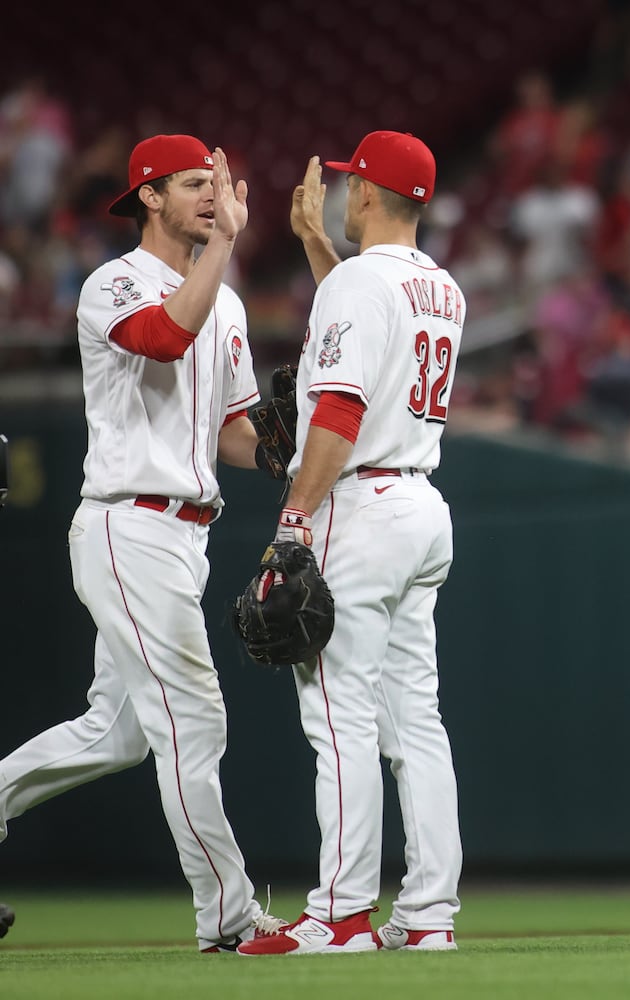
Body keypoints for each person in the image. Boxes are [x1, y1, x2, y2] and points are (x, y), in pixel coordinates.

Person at [0, 134, 283, 951]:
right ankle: (226, 918)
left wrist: (287, 445)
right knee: (194, 718)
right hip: (128, 526)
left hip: (186, 535)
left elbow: (233, 434)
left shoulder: (222, 300)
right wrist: (226, 242)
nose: (211, 195)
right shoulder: (113, 283)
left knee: (115, 731)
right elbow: (162, 339)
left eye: (218, 184)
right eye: (194, 183)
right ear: (148, 197)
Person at [239, 132, 463, 955]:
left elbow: (336, 411)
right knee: (416, 721)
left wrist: (293, 519)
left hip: (358, 505)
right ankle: (431, 913)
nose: (341, 192)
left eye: (348, 183)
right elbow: (373, 320)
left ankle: (338, 914)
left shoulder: (359, 284)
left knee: (338, 716)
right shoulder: (441, 285)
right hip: (422, 508)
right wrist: (316, 247)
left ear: (366, 193)